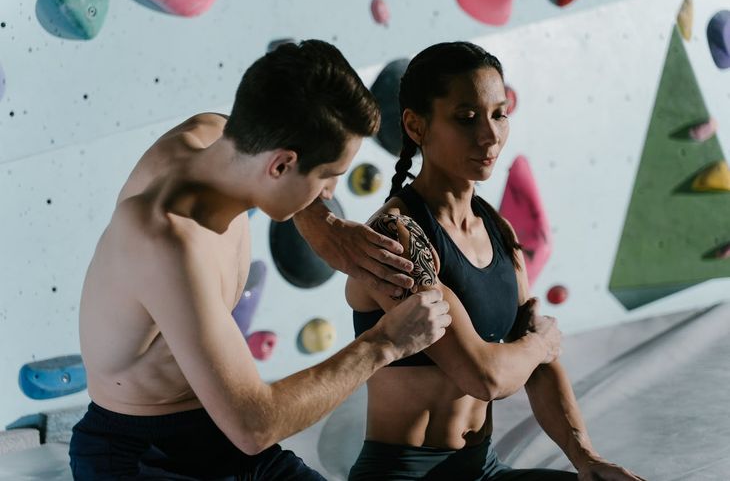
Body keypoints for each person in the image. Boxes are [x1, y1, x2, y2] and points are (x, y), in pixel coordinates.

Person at [68, 40, 452, 480]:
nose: (328, 194)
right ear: (282, 165)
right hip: (140, 456)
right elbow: (256, 425)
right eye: (329, 177)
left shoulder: (218, 136)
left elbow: (277, 135)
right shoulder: (166, 239)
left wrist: (319, 223)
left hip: (223, 434)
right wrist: (386, 343)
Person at [346, 42, 645, 480]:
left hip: (484, 470)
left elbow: (540, 369)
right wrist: (539, 344)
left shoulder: (498, 230)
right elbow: (483, 376)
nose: (489, 136)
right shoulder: (397, 235)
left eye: (499, 114)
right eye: (466, 118)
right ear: (415, 125)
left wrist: (586, 459)